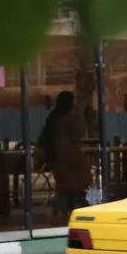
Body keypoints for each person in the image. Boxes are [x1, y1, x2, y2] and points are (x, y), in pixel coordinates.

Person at [39, 91, 92, 223]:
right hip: (71, 158)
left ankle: (59, 213)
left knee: (64, 189)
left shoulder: (53, 118)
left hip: (57, 158)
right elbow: (79, 134)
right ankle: (72, 211)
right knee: (77, 186)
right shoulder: (71, 117)